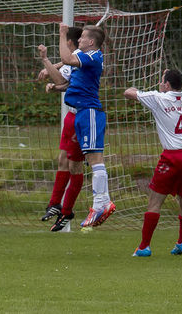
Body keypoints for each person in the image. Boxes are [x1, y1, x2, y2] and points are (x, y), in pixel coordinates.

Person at [124, 69, 182, 257]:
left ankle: (143, 247)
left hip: (172, 157)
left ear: (166, 85)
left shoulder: (158, 98)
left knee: (155, 200)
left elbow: (128, 93)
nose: (160, 84)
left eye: (162, 81)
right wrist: (178, 82)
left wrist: (141, 89)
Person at [57, 23, 116, 228]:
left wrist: (63, 34)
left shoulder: (91, 56)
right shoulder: (88, 57)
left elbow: (67, 58)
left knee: (95, 159)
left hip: (89, 112)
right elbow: (66, 67)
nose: (79, 40)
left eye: (82, 37)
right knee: (93, 160)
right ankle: (102, 202)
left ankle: (101, 203)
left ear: (91, 42)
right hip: (83, 112)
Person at [36, 27, 86, 232]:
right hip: (71, 116)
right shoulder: (75, 59)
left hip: (83, 115)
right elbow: (65, 83)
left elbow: (62, 79)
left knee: (76, 166)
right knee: (62, 160)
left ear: (70, 43)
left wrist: (46, 61)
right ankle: (55, 204)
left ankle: (67, 210)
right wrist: (56, 86)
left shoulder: (84, 57)